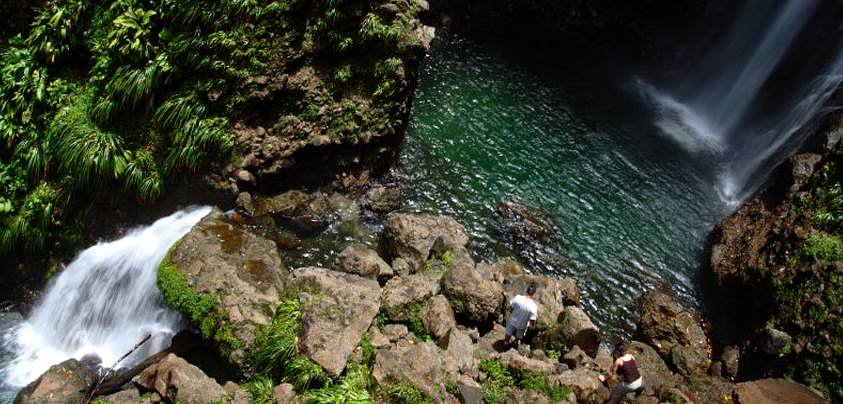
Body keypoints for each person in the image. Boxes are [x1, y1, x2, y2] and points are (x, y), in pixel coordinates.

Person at [503, 282, 538, 347]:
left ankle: (506, 343)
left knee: (508, 333)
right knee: (519, 336)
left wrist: (512, 313)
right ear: (533, 294)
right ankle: (515, 342)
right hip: (522, 324)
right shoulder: (533, 306)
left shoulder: (517, 298)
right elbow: (532, 321)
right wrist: (532, 328)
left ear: (526, 290)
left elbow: (511, 307)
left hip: (512, 320)